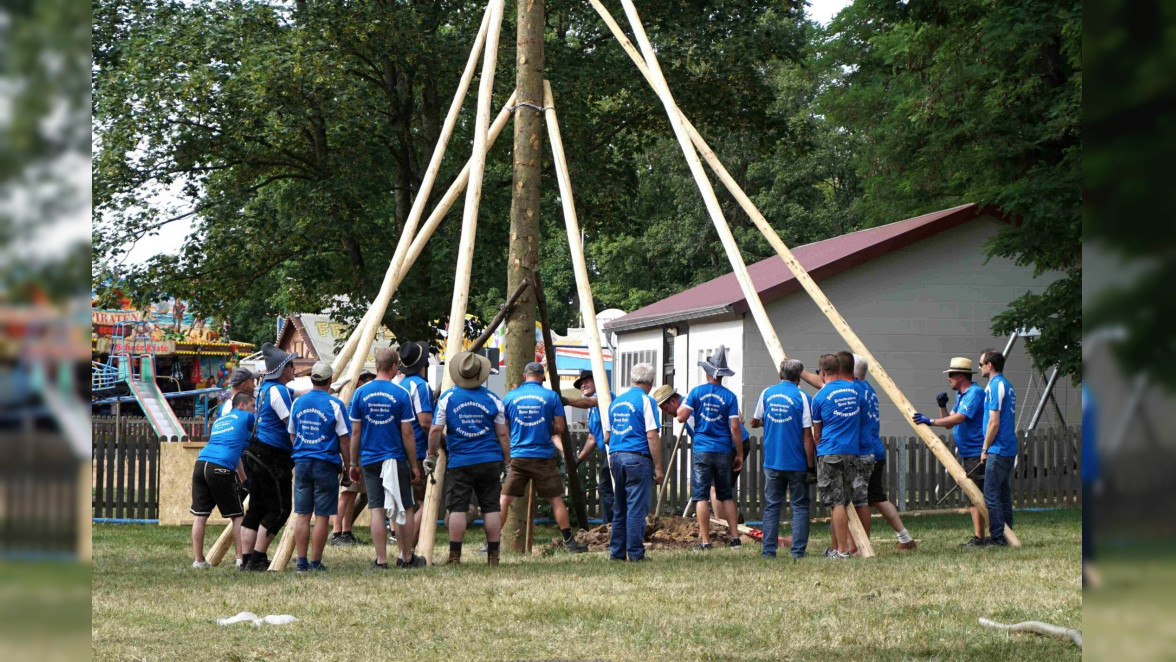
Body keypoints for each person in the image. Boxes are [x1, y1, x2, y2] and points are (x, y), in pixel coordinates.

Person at [427, 351, 511, 566]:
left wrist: (432, 455)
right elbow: (502, 433)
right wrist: (508, 460)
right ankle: (494, 556)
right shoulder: (493, 399)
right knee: (492, 507)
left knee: (457, 508)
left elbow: (436, 430)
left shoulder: (448, 398)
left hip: (460, 461)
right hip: (490, 460)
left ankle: (455, 556)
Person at [500, 362, 589, 553]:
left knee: (505, 499)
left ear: (525, 376)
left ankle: (492, 541)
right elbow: (560, 427)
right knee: (556, 499)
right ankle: (569, 541)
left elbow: (503, 427)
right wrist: (542, 429)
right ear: (542, 377)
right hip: (543, 457)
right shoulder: (551, 396)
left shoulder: (510, 396)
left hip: (518, 456)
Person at [348, 350, 424, 569]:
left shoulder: (361, 393)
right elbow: (407, 433)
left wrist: (353, 463)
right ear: (393, 366)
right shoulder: (401, 394)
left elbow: (355, 432)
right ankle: (406, 557)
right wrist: (414, 465)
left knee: (377, 509)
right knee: (406, 507)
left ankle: (381, 560)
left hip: (370, 459)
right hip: (396, 458)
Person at [651, 384, 751, 527]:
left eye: (665, 409)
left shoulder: (689, 408)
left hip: (730, 445)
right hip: (734, 443)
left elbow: (706, 437)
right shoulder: (693, 402)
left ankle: (722, 525)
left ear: (673, 401)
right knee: (720, 488)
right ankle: (729, 523)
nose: (667, 413)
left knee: (715, 488)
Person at [912, 356, 987, 545]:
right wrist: (941, 406)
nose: (949, 378)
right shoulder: (962, 396)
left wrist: (929, 421)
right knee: (973, 494)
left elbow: (959, 418)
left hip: (976, 451)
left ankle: (981, 537)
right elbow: (948, 421)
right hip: (968, 452)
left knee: (976, 495)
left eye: (952, 375)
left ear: (961, 376)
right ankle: (981, 535)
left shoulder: (974, 393)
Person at [676, 346, 743, 551]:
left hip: (702, 449)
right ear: (722, 375)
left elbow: (680, 417)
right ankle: (734, 538)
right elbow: (734, 427)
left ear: (707, 372)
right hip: (723, 450)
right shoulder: (730, 397)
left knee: (701, 496)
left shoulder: (696, 393)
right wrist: (739, 453)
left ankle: (705, 541)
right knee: (726, 495)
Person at [288, 361, 352, 573]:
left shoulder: (298, 403)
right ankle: (316, 562)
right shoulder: (335, 405)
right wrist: (348, 465)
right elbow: (344, 440)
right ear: (330, 380)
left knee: (303, 514)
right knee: (322, 515)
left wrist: (301, 451)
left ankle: (301, 562)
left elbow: (292, 433)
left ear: (311, 378)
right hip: (325, 463)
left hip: (302, 462)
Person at [240, 343, 297, 571]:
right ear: (283, 369)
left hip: (254, 451)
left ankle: (246, 559)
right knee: (280, 509)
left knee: (256, 508)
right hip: (272, 455)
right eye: (291, 365)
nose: (294, 368)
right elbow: (290, 424)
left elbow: (296, 392)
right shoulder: (279, 391)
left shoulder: (264, 389)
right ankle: (258, 557)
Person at [750, 359, 814, 559]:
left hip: (772, 461)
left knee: (772, 506)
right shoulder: (804, 397)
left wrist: (764, 422)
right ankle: (797, 552)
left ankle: (768, 552)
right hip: (796, 462)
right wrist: (811, 466)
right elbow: (807, 436)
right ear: (799, 376)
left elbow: (754, 421)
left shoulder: (766, 393)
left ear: (780, 374)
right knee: (800, 506)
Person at [853, 355, 916, 551]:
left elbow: (824, 386)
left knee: (860, 500)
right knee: (877, 497)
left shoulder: (853, 389)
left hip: (864, 451)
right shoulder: (869, 389)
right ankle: (905, 538)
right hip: (876, 449)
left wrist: (801, 373)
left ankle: (861, 545)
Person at [604, 363, 664, 561]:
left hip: (615, 457)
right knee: (636, 509)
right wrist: (658, 467)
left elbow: (606, 437)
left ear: (632, 379)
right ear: (651, 382)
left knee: (620, 507)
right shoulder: (646, 401)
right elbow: (652, 435)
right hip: (637, 459)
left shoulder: (616, 402)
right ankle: (636, 554)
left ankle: (616, 553)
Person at [190, 392, 254, 568]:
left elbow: (236, 454)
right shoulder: (246, 416)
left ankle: (198, 560)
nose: (253, 410)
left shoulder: (220, 421)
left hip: (201, 463)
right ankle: (241, 558)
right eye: (252, 406)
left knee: (200, 515)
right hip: (220, 467)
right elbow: (262, 429)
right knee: (237, 515)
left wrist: (244, 480)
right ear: (242, 405)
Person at [811, 353, 860, 559]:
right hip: (852, 452)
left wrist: (817, 450)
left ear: (822, 372)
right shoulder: (854, 391)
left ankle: (841, 551)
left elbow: (817, 432)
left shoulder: (820, 397)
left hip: (830, 452)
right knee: (845, 501)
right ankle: (836, 547)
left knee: (836, 502)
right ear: (839, 370)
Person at [825, 351, 873, 556]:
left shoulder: (852, 389)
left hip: (857, 451)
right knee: (852, 500)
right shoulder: (865, 388)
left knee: (850, 501)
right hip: (865, 449)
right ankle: (846, 546)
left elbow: (825, 389)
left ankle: (856, 547)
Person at [332, 369, 377, 547]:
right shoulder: (355, 400)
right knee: (346, 492)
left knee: (352, 493)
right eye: (367, 380)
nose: (370, 383)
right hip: (352, 449)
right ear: (359, 382)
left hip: (358, 449)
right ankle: (337, 532)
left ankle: (346, 531)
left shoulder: (359, 399)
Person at [397, 341, 435, 548]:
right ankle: (409, 548)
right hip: (418, 451)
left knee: (404, 504)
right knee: (423, 503)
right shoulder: (419, 386)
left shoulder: (400, 384)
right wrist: (440, 442)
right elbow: (425, 422)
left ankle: (403, 546)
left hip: (399, 451)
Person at [979, 349, 1017, 547]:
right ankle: (1009, 534)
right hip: (1008, 447)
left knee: (991, 495)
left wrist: (985, 448)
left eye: (981, 364)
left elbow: (994, 422)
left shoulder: (995, 386)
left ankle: (997, 538)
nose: (979, 368)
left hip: (998, 448)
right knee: (1003, 494)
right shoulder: (1008, 386)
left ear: (989, 365)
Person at [568, 369, 615, 520]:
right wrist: (579, 460)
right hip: (608, 453)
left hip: (617, 451)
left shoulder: (606, 397)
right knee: (606, 489)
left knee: (609, 488)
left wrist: (565, 400)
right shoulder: (591, 411)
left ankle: (615, 525)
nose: (583, 385)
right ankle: (612, 525)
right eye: (581, 384)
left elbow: (590, 402)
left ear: (597, 382)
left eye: (586, 381)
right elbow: (592, 438)